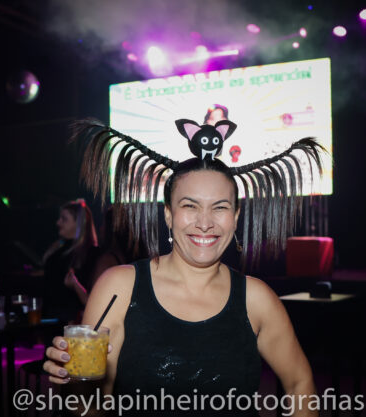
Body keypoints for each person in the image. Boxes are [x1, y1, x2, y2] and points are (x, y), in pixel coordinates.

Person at [43, 118, 327, 416]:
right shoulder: (119, 288)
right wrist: (73, 383)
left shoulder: (256, 299)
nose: (205, 223)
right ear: (168, 214)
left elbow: (299, 383)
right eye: (190, 206)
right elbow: (90, 407)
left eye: (220, 207)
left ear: (235, 216)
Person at [42, 199, 100, 323]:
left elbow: (93, 294)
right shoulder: (59, 247)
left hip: (72, 320)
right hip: (51, 316)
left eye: (64, 219)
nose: (58, 222)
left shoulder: (91, 253)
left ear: (78, 223)